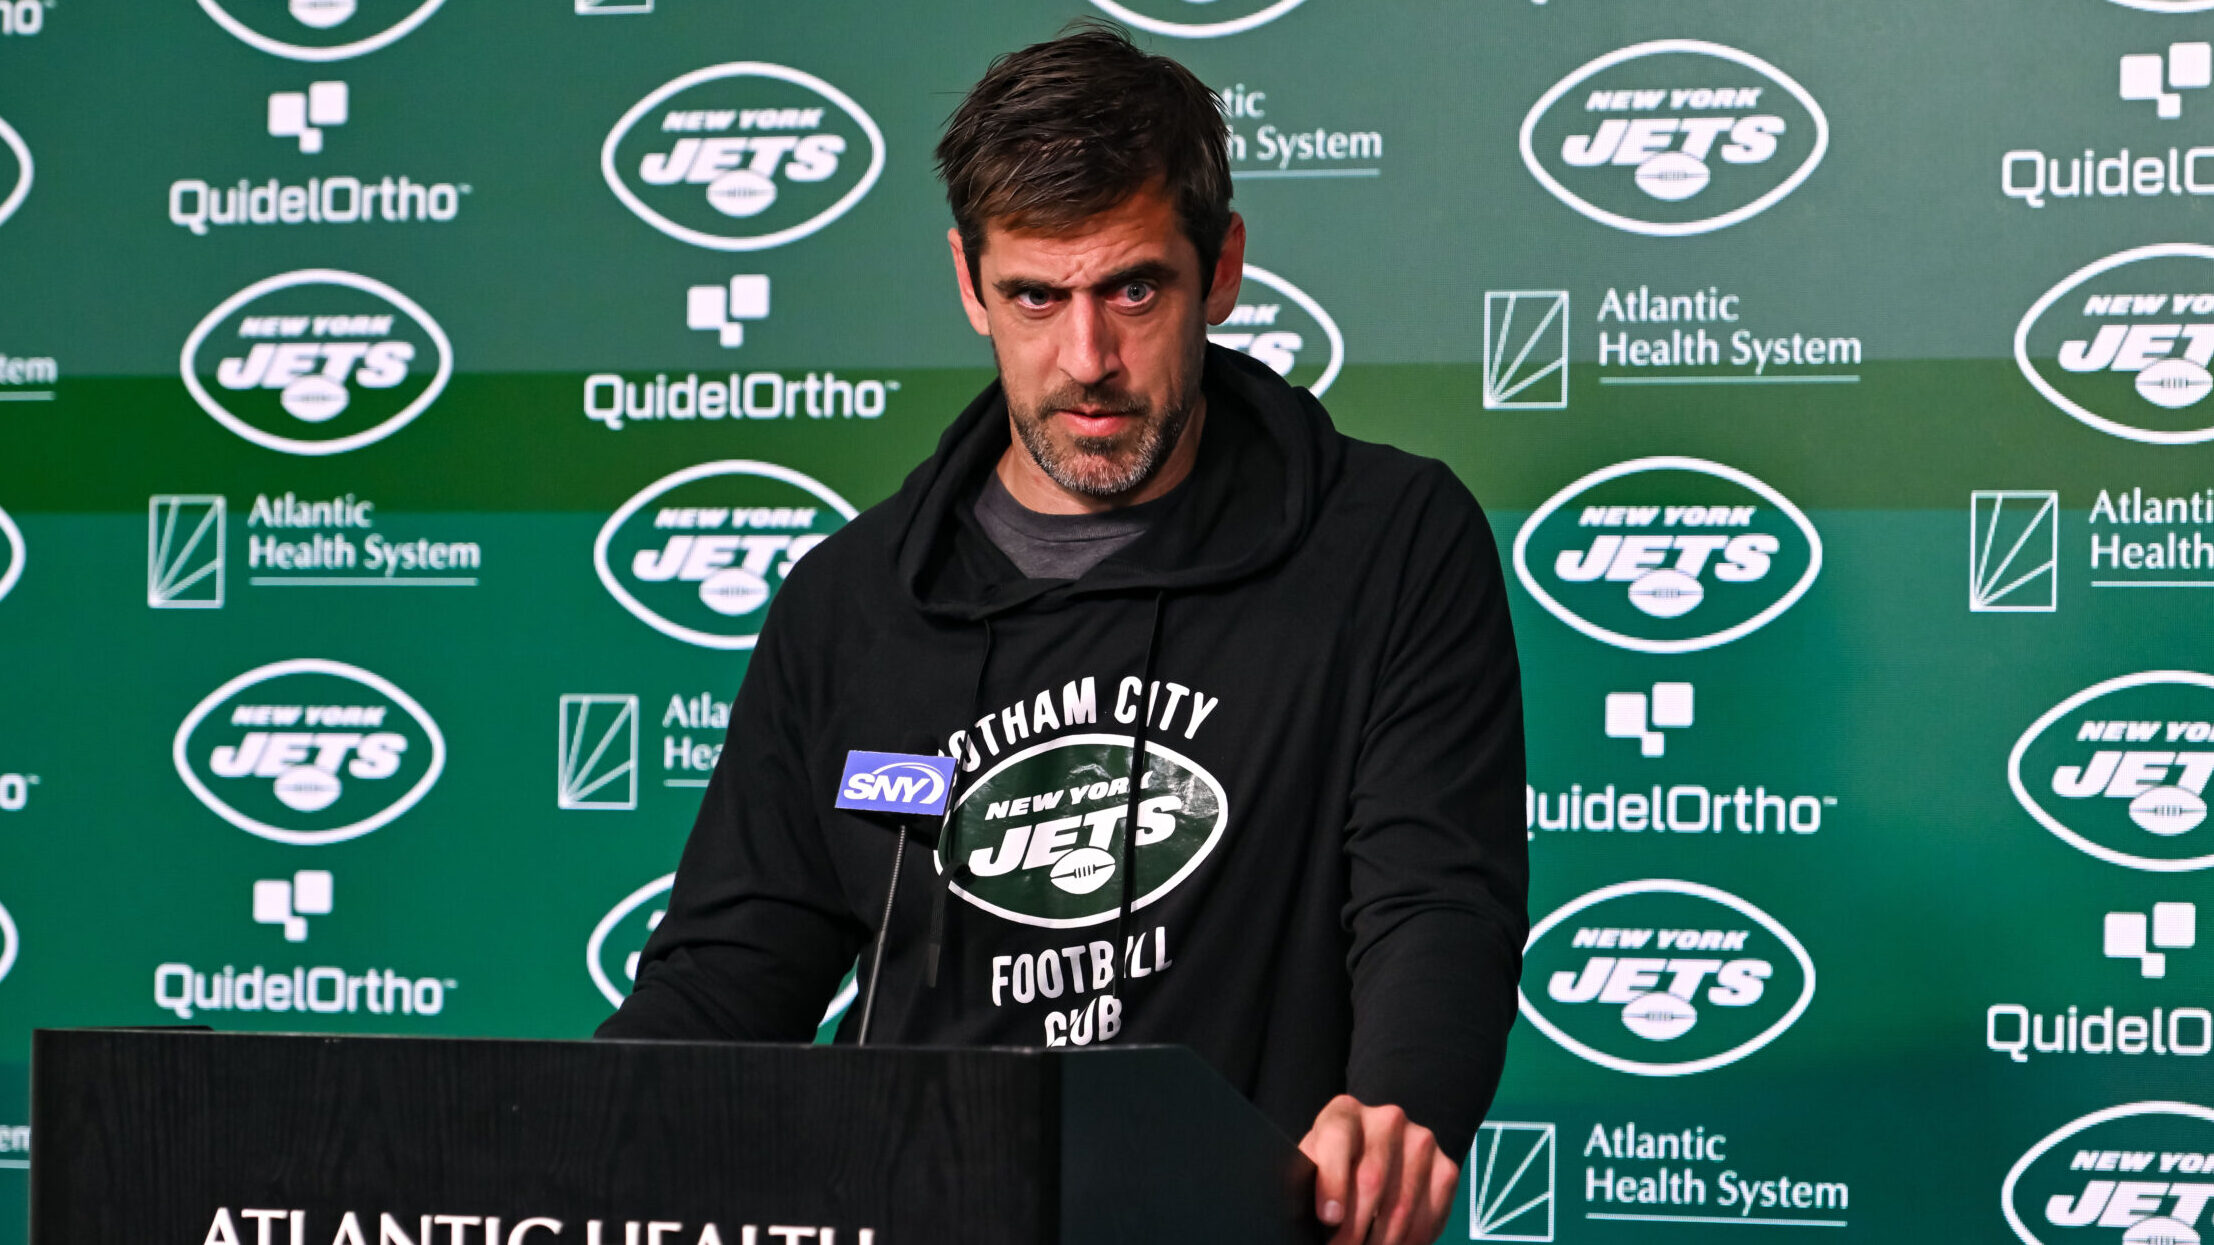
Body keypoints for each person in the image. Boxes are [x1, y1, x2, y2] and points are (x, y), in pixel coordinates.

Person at [599, 23, 1527, 1245]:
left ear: (1224, 267)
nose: (1086, 360)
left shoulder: (1389, 542)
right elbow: (730, 976)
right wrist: (549, 1141)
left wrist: (1395, 1109)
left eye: (1132, 289)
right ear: (969, 282)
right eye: (1036, 296)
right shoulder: (852, 600)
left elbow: (1433, 903)